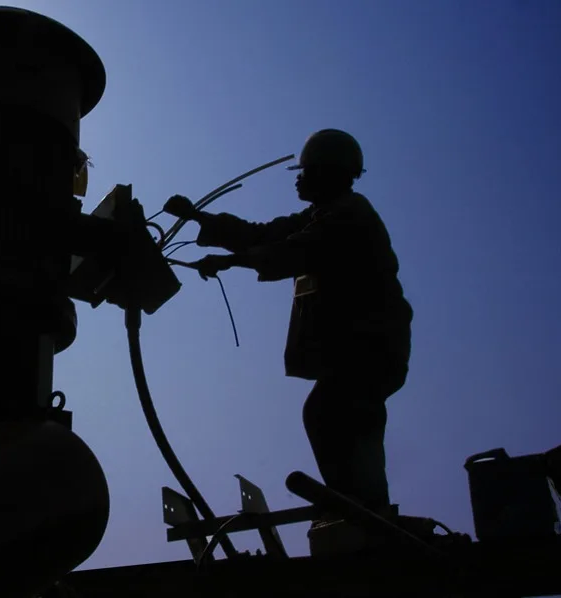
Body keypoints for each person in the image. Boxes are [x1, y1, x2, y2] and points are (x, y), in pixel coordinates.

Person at [164, 129, 413, 518]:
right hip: (360, 351)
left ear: (328, 173)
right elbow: (264, 234)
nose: (297, 178)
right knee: (331, 412)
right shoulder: (320, 214)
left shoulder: (349, 215)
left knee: (336, 412)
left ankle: (367, 511)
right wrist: (198, 216)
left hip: (371, 349)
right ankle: (359, 506)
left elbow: (292, 251)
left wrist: (230, 261)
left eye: (306, 171)